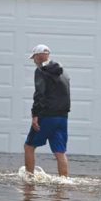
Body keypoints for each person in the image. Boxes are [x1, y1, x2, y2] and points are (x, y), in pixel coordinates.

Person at [24, 44, 70, 177]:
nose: (33, 61)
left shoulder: (41, 71)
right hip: (62, 117)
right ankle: (64, 182)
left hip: (47, 116)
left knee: (29, 146)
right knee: (60, 153)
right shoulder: (63, 72)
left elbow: (40, 94)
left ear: (39, 56)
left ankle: (29, 179)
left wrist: (35, 116)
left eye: (34, 57)